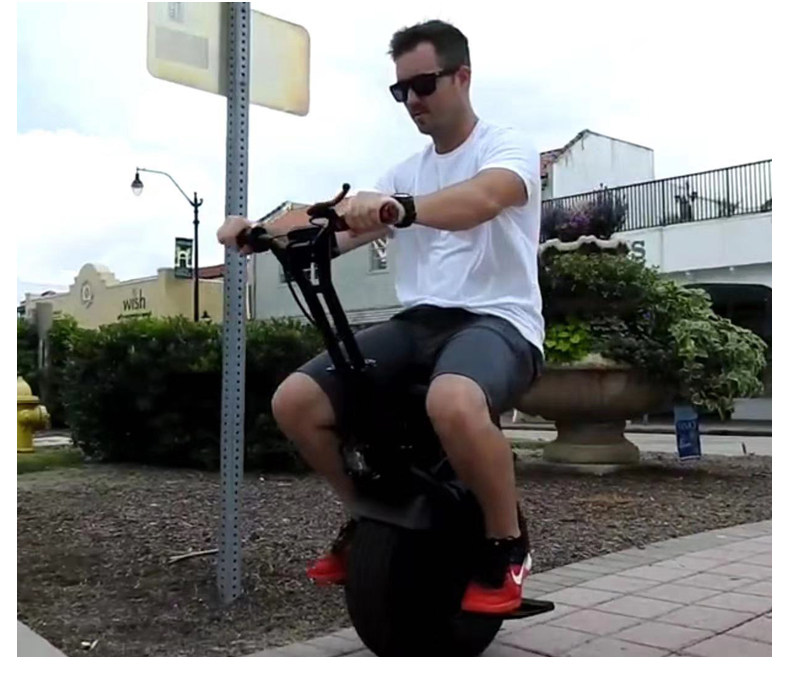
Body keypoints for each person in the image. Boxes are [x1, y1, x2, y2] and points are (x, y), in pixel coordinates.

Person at [217, 19, 544, 615]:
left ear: (462, 76)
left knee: (452, 402)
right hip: (420, 322)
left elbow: (483, 200)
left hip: (499, 321)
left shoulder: (506, 147)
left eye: (423, 85)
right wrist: (258, 230)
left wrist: (400, 210)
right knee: (295, 402)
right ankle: (367, 515)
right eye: (401, 91)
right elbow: (332, 223)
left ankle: (507, 545)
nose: (412, 100)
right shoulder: (403, 171)